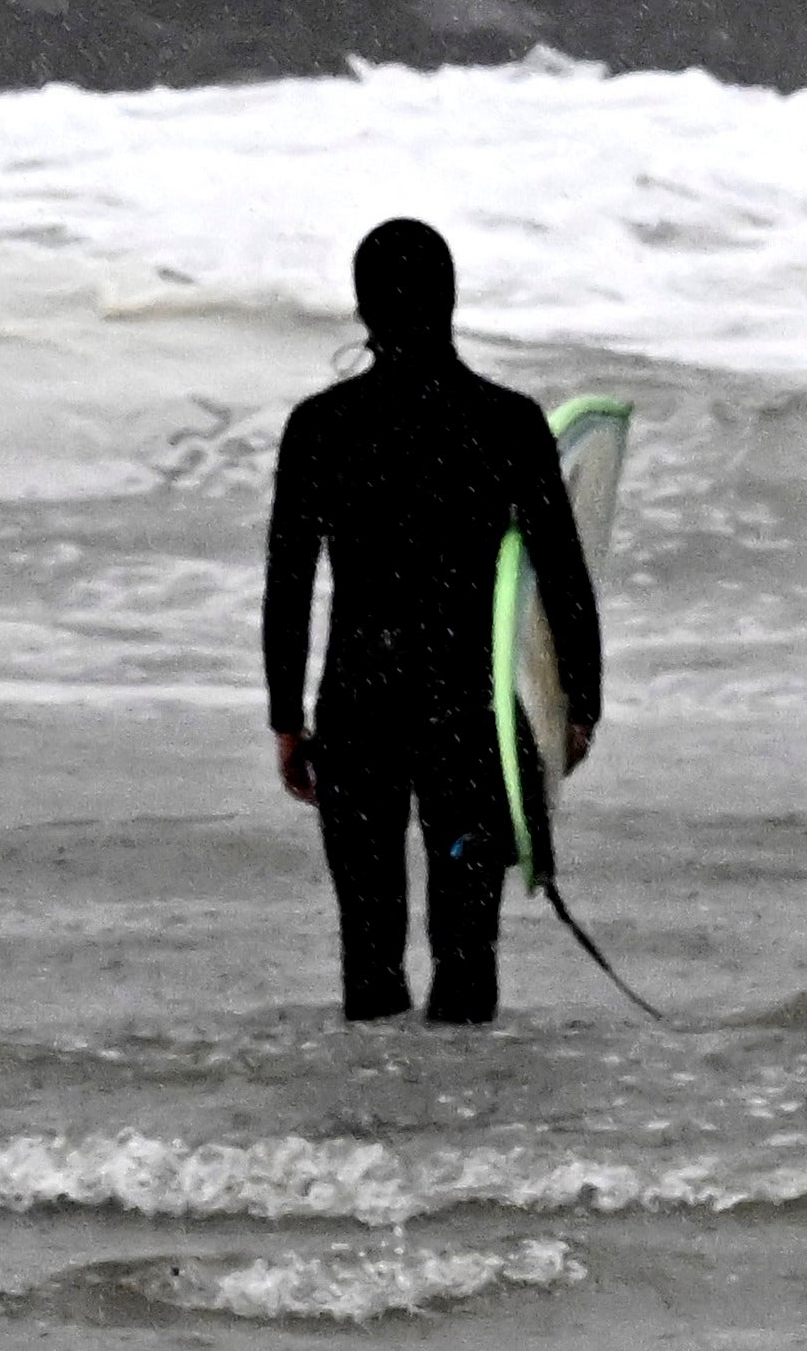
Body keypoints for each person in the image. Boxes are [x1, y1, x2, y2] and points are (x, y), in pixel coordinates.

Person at [264, 219, 600, 1024]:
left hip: (360, 703)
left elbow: (288, 585)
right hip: (468, 712)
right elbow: (562, 576)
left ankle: (380, 1130)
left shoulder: (321, 425)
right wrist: (580, 706)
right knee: (467, 945)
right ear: (451, 300)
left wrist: (286, 719)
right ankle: (465, 1128)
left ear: (361, 307)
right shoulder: (508, 421)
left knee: (369, 941)